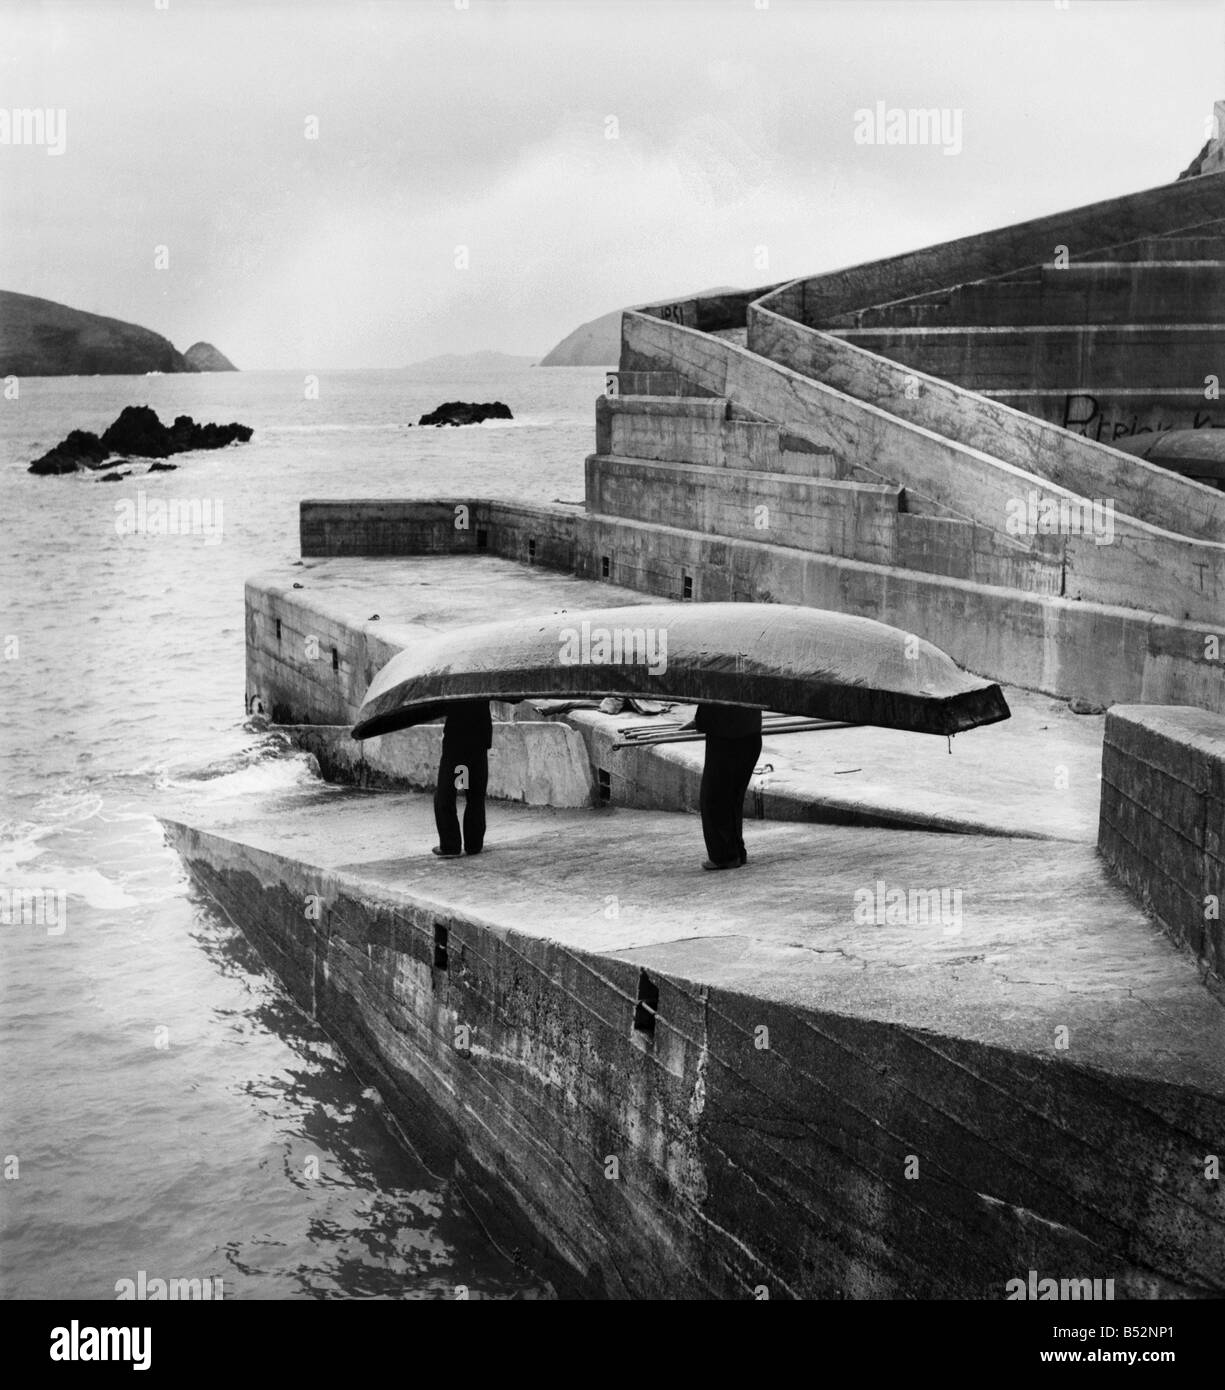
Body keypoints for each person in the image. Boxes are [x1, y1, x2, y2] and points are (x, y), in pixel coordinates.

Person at [694, 703, 762, 870]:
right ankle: (735, 851)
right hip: (749, 731)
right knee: (732, 797)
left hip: (725, 732)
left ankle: (724, 856)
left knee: (714, 798)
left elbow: (661, 677)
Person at [433, 700, 492, 859]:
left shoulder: (452, 680)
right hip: (478, 742)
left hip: (457, 746)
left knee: (446, 795)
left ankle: (451, 845)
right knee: (474, 796)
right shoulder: (483, 678)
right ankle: (473, 845)